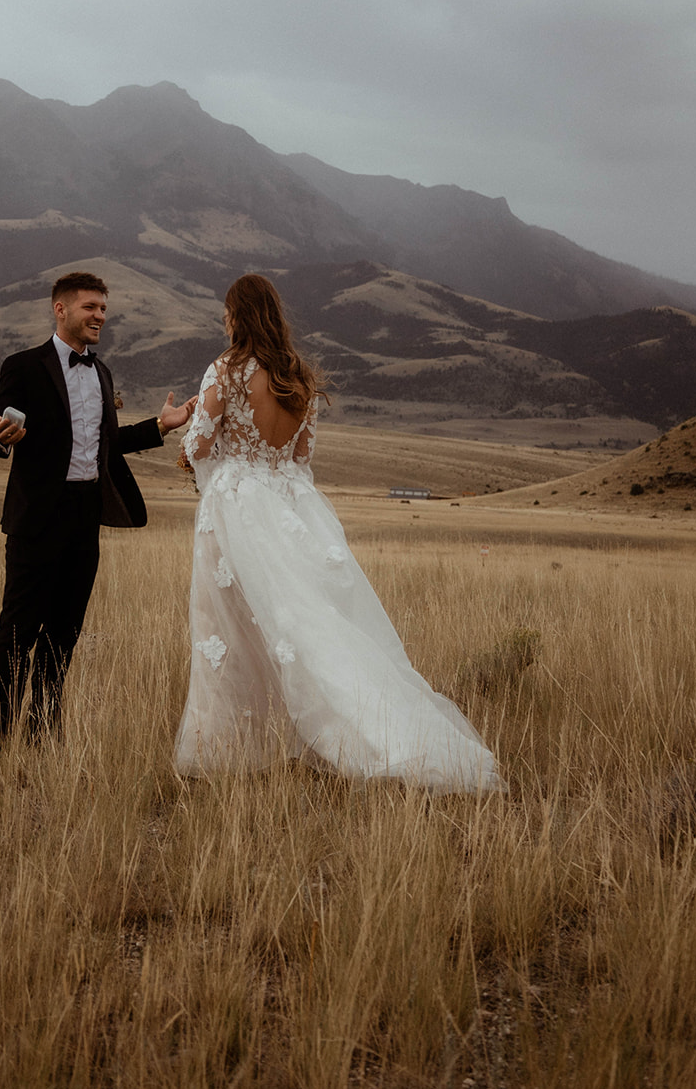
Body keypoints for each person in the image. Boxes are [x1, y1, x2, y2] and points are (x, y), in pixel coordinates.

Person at [174, 273, 504, 791]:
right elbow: (301, 457)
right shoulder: (298, 377)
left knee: (230, 631)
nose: (224, 320)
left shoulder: (228, 371)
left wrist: (195, 428)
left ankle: (230, 750)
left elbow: (196, 447)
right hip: (290, 508)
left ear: (238, 315)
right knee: (302, 624)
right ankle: (326, 732)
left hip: (238, 511)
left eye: (227, 312)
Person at [0, 270, 195, 744]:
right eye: (90, 307)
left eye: (103, 308)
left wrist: (161, 426)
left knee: (63, 633)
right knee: (17, 632)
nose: (100, 316)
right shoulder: (23, 365)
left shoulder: (101, 372)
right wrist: (0, 437)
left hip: (84, 518)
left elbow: (107, 442)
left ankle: (42, 732)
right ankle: (1, 738)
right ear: (61, 309)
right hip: (36, 519)